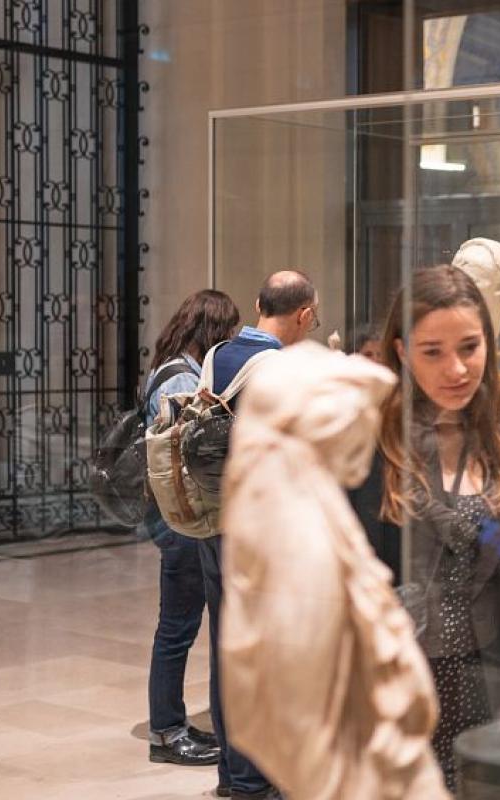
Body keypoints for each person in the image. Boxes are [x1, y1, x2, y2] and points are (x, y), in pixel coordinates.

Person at [348, 265, 500, 789]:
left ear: (489, 346)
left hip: (493, 681)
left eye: (469, 347)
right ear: (401, 352)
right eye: (433, 352)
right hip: (395, 692)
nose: (457, 369)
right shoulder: (365, 456)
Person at [199, 270, 319, 800]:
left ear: (256, 303)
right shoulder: (283, 372)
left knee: (227, 648)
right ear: (305, 316)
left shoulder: (215, 355)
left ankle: (233, 773)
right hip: (262, 534)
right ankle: (253, 779)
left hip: (211, 521)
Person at [141, 290, 238, 768]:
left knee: (177, 625)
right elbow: (190, 457)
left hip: (169, 517)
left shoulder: (169, 367)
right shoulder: (181, 380)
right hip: (180, 520)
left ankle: (170, 724)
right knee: (177, 628)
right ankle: (167, 732)